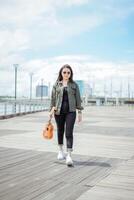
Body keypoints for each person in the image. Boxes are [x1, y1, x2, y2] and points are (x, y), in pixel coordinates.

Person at [49, 64, 83, 166]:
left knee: (69, 132)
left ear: (70, 74)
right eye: (64, 72)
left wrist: (80, 112)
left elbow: (78, 99)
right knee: (60, 130)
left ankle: (69, 155)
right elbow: (53, 99)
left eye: (68, 72)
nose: (66, 74)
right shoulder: (56, 85)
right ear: (61, 73)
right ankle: (60, 150)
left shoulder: (74, 85)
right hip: (58, 112)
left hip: (71, 112)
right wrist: (50, 112)